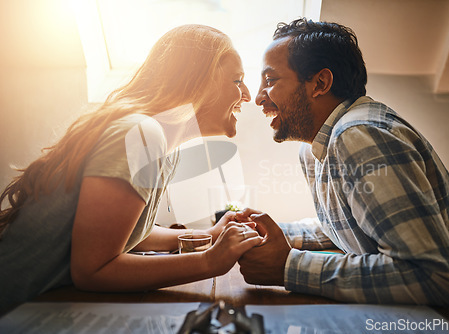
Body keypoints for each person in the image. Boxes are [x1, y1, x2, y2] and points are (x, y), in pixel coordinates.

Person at [237, 18, 449, 326]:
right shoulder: (317, 147)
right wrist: (263, 231)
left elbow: (436, 278)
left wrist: (288, 267)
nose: (258, 96)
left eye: (270, 80)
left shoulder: (358, 137)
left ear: (320, 83)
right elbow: (345, 227)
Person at [0, 24, 262, 315]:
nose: (247, 94)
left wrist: (210, 235)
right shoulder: (143, 134)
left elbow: (123, 232)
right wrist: (209, 261)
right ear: (198, 82)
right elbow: (93, 270)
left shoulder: (161, 144)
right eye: (237, 80)